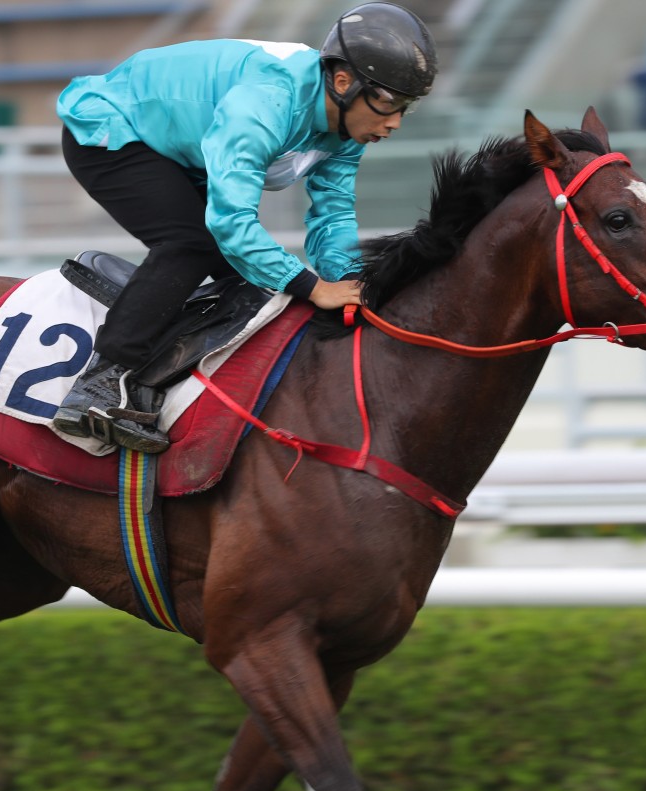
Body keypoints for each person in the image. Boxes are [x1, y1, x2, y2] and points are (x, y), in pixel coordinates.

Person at [53, 2, 437, 453]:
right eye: (388, 103)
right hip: (111, 128)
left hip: (180, 152)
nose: (393, 122)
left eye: (405, 108)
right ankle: (97, 385)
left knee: (249, 282)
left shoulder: (349, 126)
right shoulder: (269, 100)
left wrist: (347, 280)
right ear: (342, 81)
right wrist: (311, 287)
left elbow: (332, 211)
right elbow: (231, 223)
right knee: (192, 243)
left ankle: (159, 378)